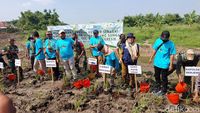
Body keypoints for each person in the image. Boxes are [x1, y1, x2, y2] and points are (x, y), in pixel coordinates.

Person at [149, 30, 176, 95]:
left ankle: (164, 89)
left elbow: (172, 55)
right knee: (157, 75)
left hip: (165, 63)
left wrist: (171, 65)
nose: (164, 40)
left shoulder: (171, 44)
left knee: (164, 77)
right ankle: (158, 86)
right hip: (157, 62)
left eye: (165, 39)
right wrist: (151, 58)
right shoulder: (158, 41)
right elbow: (154, 50)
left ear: (168, 38)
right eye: (163, 38)